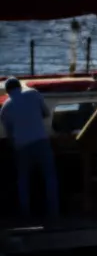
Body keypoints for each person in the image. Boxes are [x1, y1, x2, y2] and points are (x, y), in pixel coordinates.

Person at [0, 77, 59, 217]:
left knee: (23, 179)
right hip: (41, 141)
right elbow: (46, 113)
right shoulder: (33, 94)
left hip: (22, 146)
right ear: (20, 86)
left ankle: (25, 212)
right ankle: (54, 211)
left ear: (7, 91)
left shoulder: (5, 108)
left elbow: (9, 134)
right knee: (50, 177)